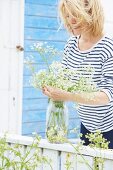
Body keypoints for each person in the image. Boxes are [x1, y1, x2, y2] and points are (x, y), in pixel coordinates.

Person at [43, 0, 113, 149]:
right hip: (86, 125)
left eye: (75, 14)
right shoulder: (71, 45)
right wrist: (52, 89)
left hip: (109, 127)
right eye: (67, 16)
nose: (71, 21)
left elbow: (107, 96)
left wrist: (67, 95)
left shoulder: (108, 48)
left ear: (91, 14)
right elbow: (63, 81)